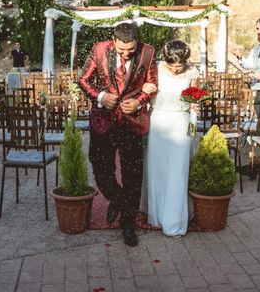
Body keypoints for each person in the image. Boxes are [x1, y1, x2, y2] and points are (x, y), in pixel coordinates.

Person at [78, 23, 158, 247]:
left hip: (132, 122)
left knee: (133, 175)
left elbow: (153, 83)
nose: (126, 54)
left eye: (130, 50)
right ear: (113, 41)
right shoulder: (99, 49)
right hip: (104, 121)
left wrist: (139, 101)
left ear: (137, 43)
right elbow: (82, 79)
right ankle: (118, 200)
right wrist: (101, 96)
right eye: (122, 50)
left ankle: (128, 224)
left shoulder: (148, 52)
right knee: (101, 168)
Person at [141, 40, 198, 237]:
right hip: (157, 123)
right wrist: (146, 88)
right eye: (172, 65)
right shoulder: (155, 68)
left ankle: (174, 220)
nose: (175, 69)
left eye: (179, 66)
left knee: (177, 172)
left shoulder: (192, 72)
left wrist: (193, 123)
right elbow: (143, 91)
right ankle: (156, 215)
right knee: (157, 171)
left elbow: (194, 102)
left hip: (181, 124)